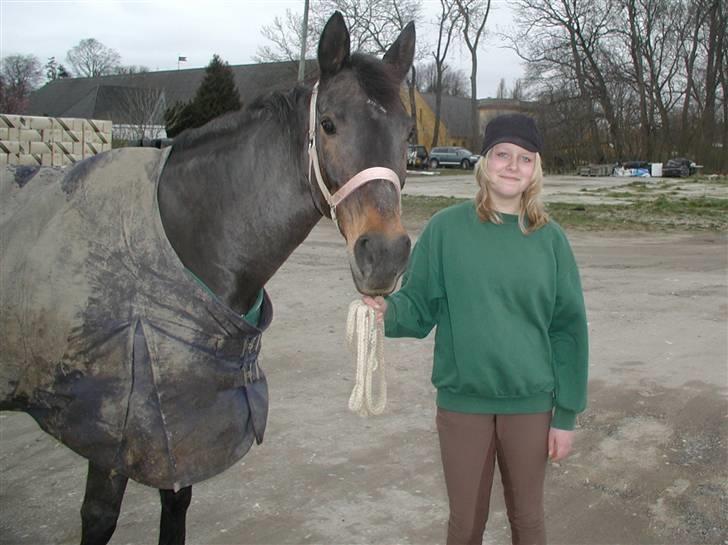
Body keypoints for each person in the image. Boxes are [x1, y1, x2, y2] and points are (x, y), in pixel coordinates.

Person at [364, 113, 588, 545]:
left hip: (530, 405)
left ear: (535, 170)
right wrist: (383, 313)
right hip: (463, 403)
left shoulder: (551, 239)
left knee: (528, 521)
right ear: (484, 162)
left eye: (525, 158)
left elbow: (569, 330)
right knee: (465, 523)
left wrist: (566, 415)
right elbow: (418, 305)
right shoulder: (447, 229)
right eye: (502, 154)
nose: (512, 166)